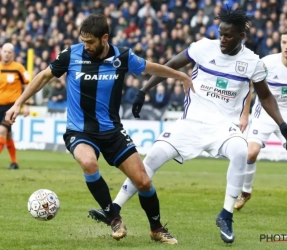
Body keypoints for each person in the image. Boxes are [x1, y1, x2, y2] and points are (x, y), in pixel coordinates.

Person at [86, 7, 287, 244]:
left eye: (228, 36)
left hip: (222, 128)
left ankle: (226, 215)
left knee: (240, 150)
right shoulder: (203, 47)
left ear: (241, 36)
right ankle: (113, 209)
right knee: (153, 156)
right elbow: (172, 64)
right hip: (190, 123)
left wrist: (283, 124)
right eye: (220, 34)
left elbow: (266, 96)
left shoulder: (252, 62)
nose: (222, 40)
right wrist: (144, 91)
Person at [5, 14, 194, 244]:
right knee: (88, 162)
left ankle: (156, 228)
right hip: (80, 130)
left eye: (90, 42)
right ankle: (114, 217)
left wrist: (180, 75)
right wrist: (18, 103)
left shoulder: (122, 56)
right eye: (83, 41)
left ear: (104, 38)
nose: (86, 46)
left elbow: (149, 68)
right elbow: (44, 76)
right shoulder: (71, 54)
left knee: (143, 181)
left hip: (112, 130)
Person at [234, 28, 287, 213]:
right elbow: (249, 84)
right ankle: (245, 192)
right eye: (284, 42)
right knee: (250, 153)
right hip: (263, 113)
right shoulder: (267, 63)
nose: (286, 46)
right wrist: (245, 114)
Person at [0, 43, 30, 169]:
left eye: (9, 52)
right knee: (7, 135)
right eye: (5, 51)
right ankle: (14, 162)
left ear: (13, 54)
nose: (6, 54)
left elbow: (27, 85)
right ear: (1, 52)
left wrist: (27, 104)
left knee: (1, 130)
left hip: (11, 106)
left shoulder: (19, 68)